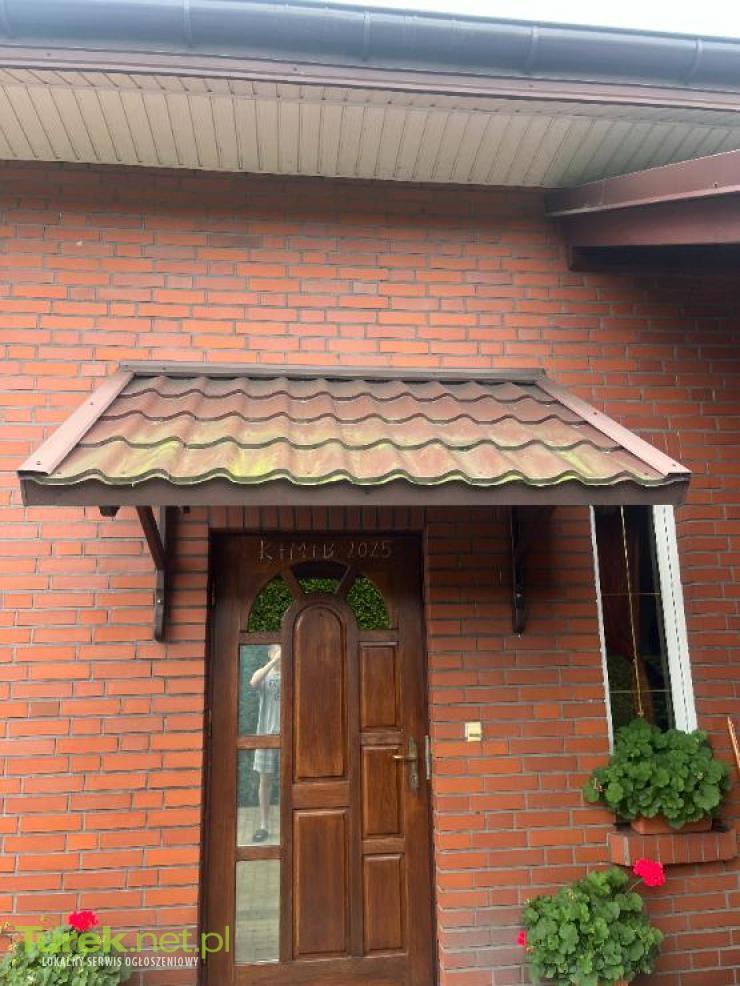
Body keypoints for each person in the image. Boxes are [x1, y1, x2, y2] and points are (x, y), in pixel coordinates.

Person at [249, 644, 281, 842]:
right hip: (265, 734)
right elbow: (253, 682)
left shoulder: (292, 672)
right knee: (265, 781)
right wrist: (274, 661)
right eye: (276, 649)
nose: (281, 653)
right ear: (269, 653)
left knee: (290, 782)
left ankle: (289, 824)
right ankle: (264, 825)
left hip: (288, 736)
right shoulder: (264, 673)